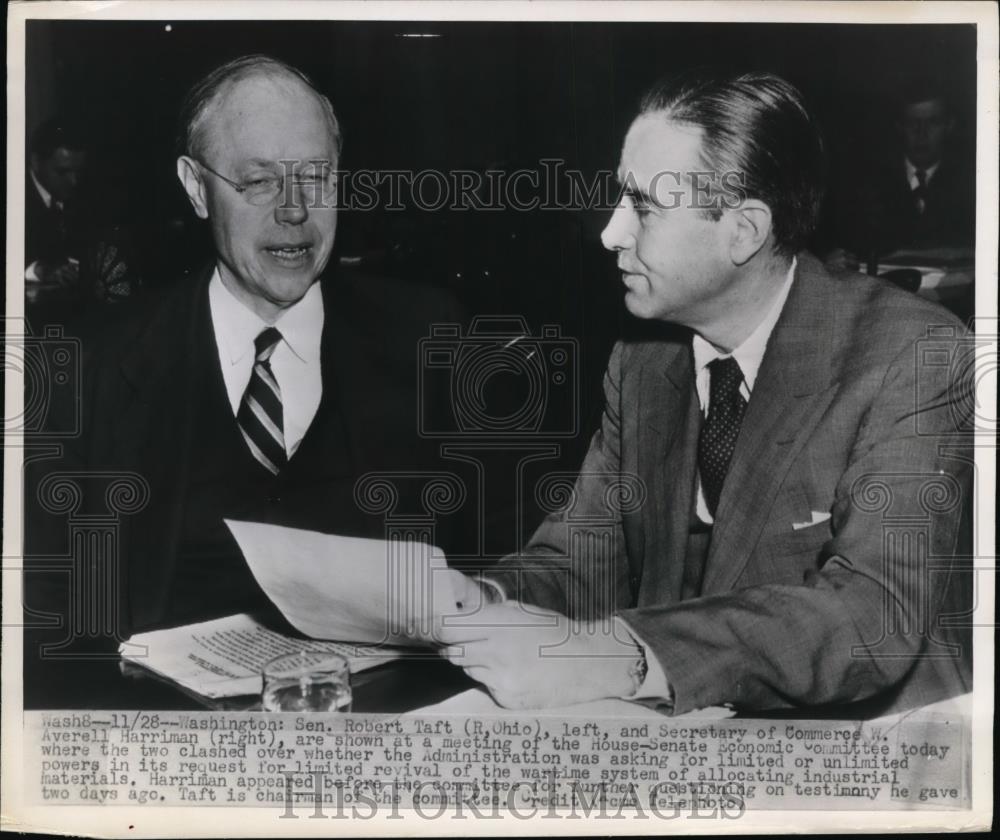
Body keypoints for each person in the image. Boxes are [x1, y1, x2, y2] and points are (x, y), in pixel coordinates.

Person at [440, 70, 973, 717]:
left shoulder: (911, 353)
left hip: (875, 745)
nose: (610, 233)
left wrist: (629, 656)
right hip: (689, 732)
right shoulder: (642, 362)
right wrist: (463, 603)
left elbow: (871, 613)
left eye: (642, 206)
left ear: (743, 232)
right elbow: (579, 564)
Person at [24, 55, 462, 647]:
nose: (294, 211)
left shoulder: (433, 341)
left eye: (315, 176)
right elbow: (49, 615)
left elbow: (500, 575)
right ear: (195, 187)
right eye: (258, 182)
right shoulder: (88, 370)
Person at [825, 77, 974, 272]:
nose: (922, 133)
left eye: (933, 122)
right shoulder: (863, 184)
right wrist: (827, 263)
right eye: (913, 123)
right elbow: (836, 243)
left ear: (949, 126)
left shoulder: (972, 184)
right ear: (899, 127)